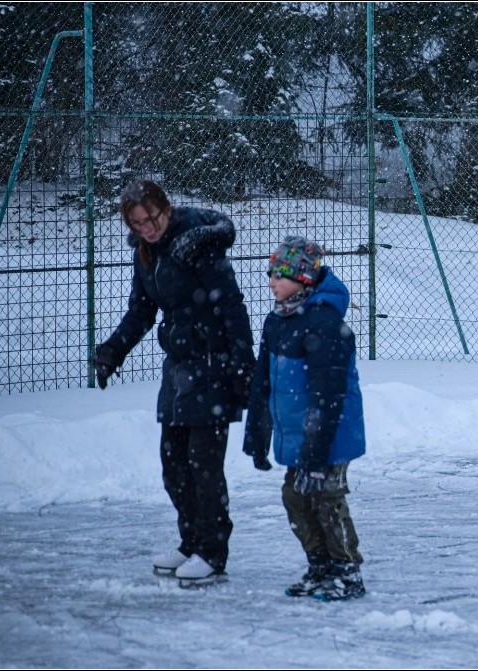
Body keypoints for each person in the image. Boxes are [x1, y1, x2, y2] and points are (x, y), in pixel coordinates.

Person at [91, 180, 255, 586]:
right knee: (174, 465)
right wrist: (114, 350)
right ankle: (192, 541)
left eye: (152, 218)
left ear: (167, 208)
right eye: (137, 223)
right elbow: (142, 311)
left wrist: (242, 365)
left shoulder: (196, 244)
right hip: (180, 371)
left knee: (204, 466)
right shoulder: (148, 254)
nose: (147, 228)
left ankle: (213, 553)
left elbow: (231, 304)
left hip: (214, 366)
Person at [242, 235, 367, 601]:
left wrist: (316, 457)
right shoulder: (277, 320)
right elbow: (261, 382)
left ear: (304, 278)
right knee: (295, 497)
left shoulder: (324, 323)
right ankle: (319, 566)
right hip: (298, 432)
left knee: (326, 496)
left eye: (280, 274)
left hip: (330, 433)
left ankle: (347, 571)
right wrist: (256, 435)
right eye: (270, 274)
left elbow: (327, 397)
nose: (271, 282)